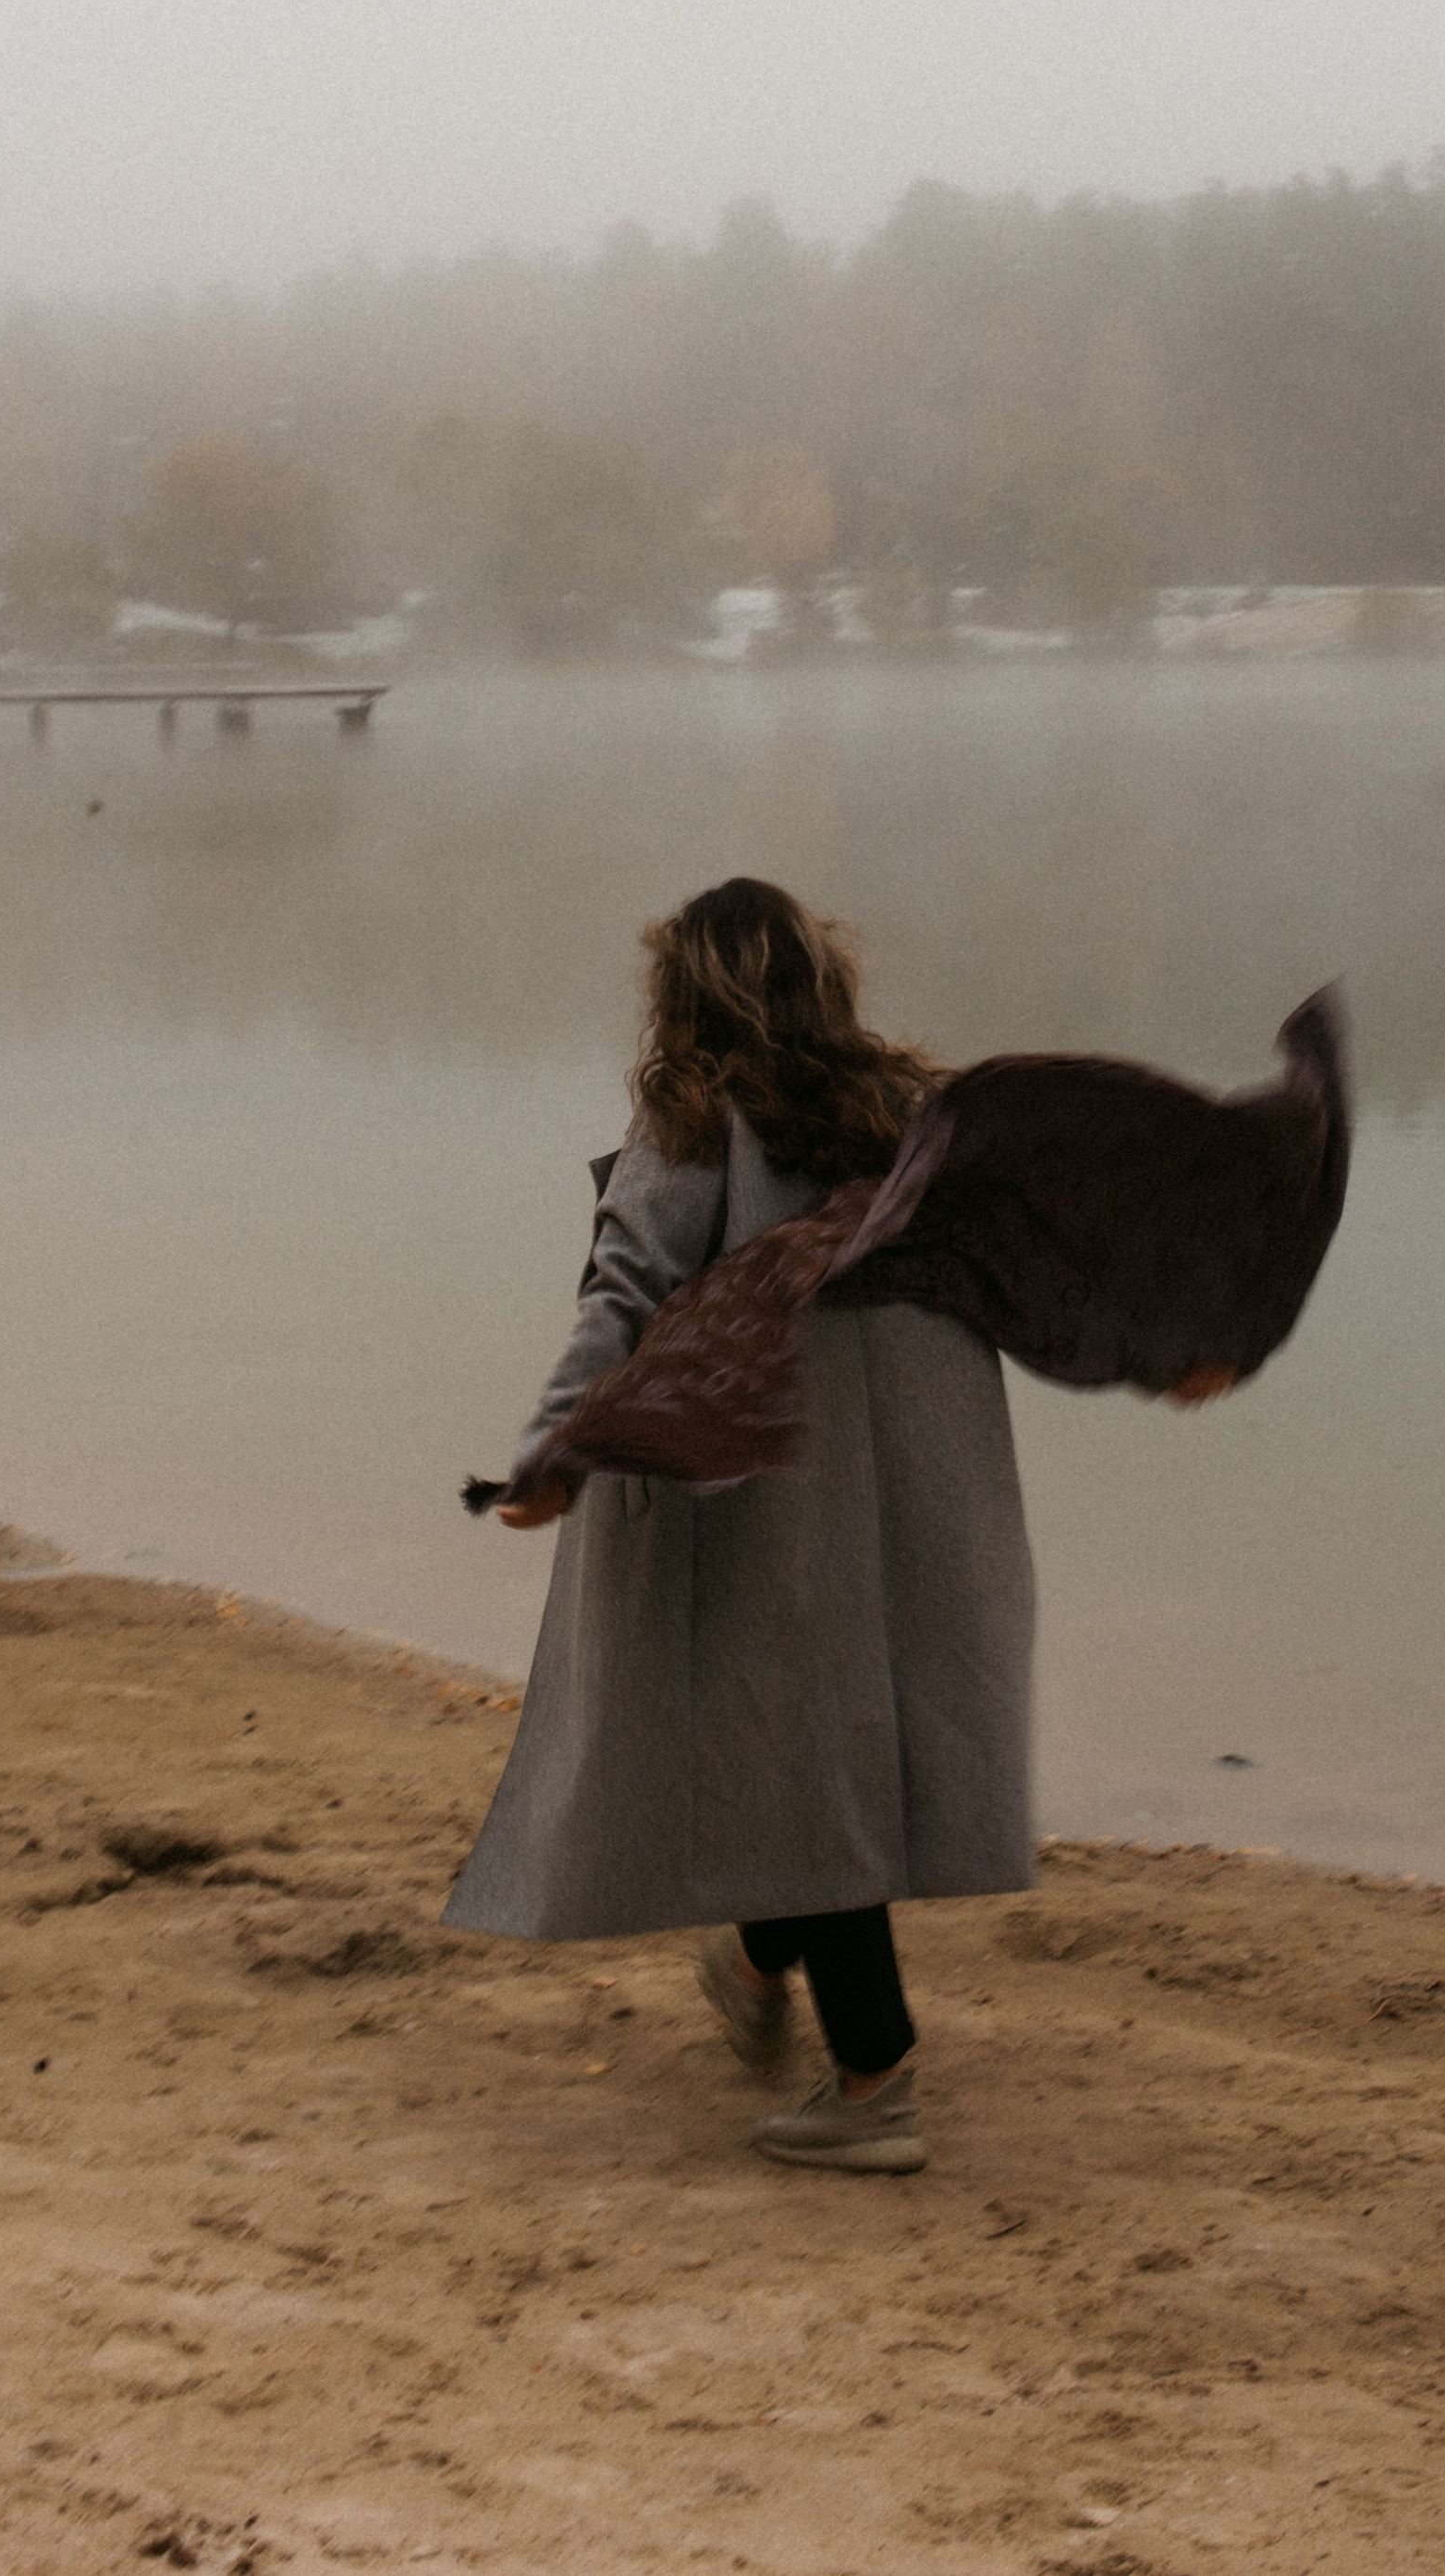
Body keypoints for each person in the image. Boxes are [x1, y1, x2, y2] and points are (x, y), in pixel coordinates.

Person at [443, 876, 1035, 2175]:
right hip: (920, 1495)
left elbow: (625, 1291)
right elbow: (1026, 1255)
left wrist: (553, 1451)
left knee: (793, 1754)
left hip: (773, 1488)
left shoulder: (693, 1121)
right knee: (806, 1741)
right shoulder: (912, 1114)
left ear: (682, 997)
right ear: (825, 984)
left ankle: (876, 2081)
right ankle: (762, 1957)